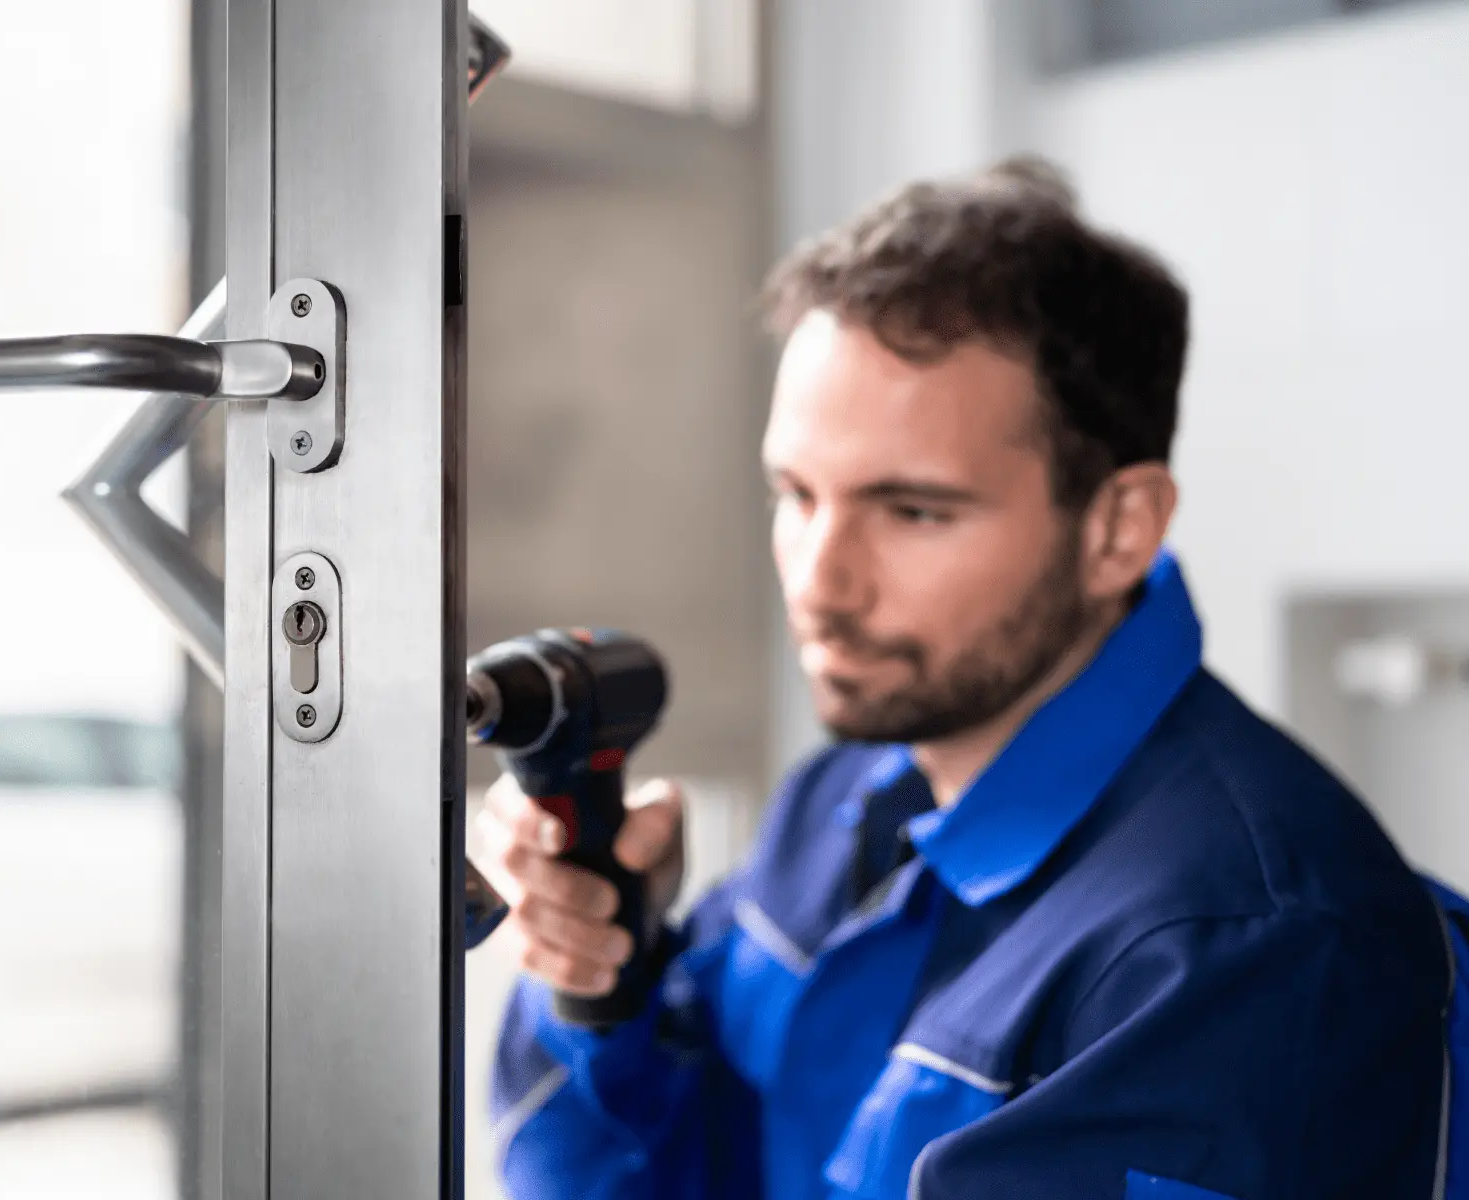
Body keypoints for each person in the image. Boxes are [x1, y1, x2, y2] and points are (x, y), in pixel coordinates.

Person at [475, 157, 1454, 1200]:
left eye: (914, 511)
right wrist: (603, 975)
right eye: (797, 494)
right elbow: (620, 1174)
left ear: (1119, 528)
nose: (821, 580)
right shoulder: (838, 803)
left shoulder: (1241, 949)